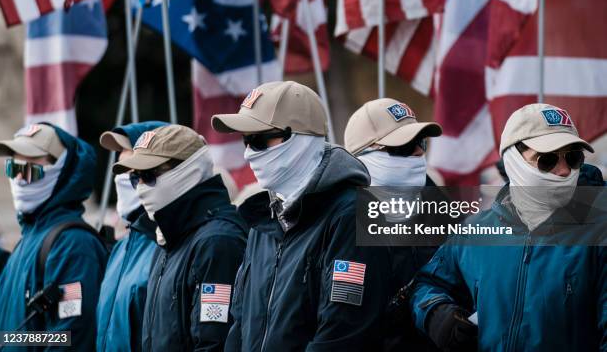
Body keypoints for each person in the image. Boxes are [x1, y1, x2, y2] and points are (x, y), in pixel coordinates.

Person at [212, 81, 393, 351]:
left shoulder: (351, 215)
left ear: (301, 137)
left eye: (260, 139)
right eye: (245, 140)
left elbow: (343, 332)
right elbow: (239, 323)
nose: (249, 152)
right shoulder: (262, 222)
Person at [410, 104, 607, 351]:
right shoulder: (477, 232)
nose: (565, 170)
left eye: (573, 157)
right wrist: (436, 314)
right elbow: (428, 284)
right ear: (513, 161)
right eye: (547, 160)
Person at [111, 124, 247, 352]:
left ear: (187, 170)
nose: (141, 187)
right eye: (135, 178)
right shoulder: (166, 241)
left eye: (149, 175)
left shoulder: (217, 242)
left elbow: (214, 343)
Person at [0, 123, 108, 350]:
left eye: (30, 170)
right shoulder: (28, 240)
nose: (19, 179)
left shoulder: (73, 244)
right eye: (12, 168)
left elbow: (68, 337)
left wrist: (12, 340)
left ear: (62, 170)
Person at [344, 98, 444, 351]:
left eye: (420, 143)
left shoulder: (446, 217)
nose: (419, 153)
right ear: (362, 158)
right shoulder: (336, 227)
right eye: (403, 147)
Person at [95, 121, 167, 351]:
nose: (121, 177)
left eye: (130, 169)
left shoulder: (166, 245)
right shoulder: (121, 247)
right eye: (119, 166)